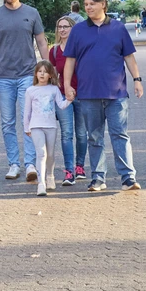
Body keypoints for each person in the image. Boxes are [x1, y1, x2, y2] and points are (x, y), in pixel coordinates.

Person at [63, 0, 144, 192]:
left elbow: (129, 57)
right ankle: (98, 178)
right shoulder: (79, 30)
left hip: (116, 93)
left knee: (120, 135)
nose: (88, 8)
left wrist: (137, 79)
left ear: (103, 4)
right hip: (88, 93)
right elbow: (70, 61)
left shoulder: (118, 28)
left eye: (92, 4)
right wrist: (67, 85)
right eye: (86, 4)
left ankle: (128, 177)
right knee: (94, 137)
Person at [0, 0, 48, 183]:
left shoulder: (32, 13)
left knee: (28, 120)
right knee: (7, 122)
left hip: (27, 75)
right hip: (2, 76)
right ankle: (13, 163)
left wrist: (47, 69)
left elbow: (41, 41)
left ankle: (30, 163)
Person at [23, 61, 71, 196]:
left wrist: (69, 99)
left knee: (50, 154)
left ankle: (50, 176)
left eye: (45, 72)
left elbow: (61, 105)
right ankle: (41, 183)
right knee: (41, 153)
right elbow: (27, 111)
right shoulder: (30, 90)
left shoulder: (53, 89)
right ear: (36, 74)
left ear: (50, 75)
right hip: (36, 126)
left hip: (50, 126)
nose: (42, 74)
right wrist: (27, 127)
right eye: (39, 71)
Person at [49, 16, 86, 185]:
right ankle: (68, 171)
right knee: (66, 134)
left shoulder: (81, 48)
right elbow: (52, 75)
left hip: (82, 95)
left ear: (73, 29)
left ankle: (80, 167)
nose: (62, 30)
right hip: (63, 96)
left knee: (81, 133)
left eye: (66, 26)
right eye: (59, 27)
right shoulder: (55, 51)